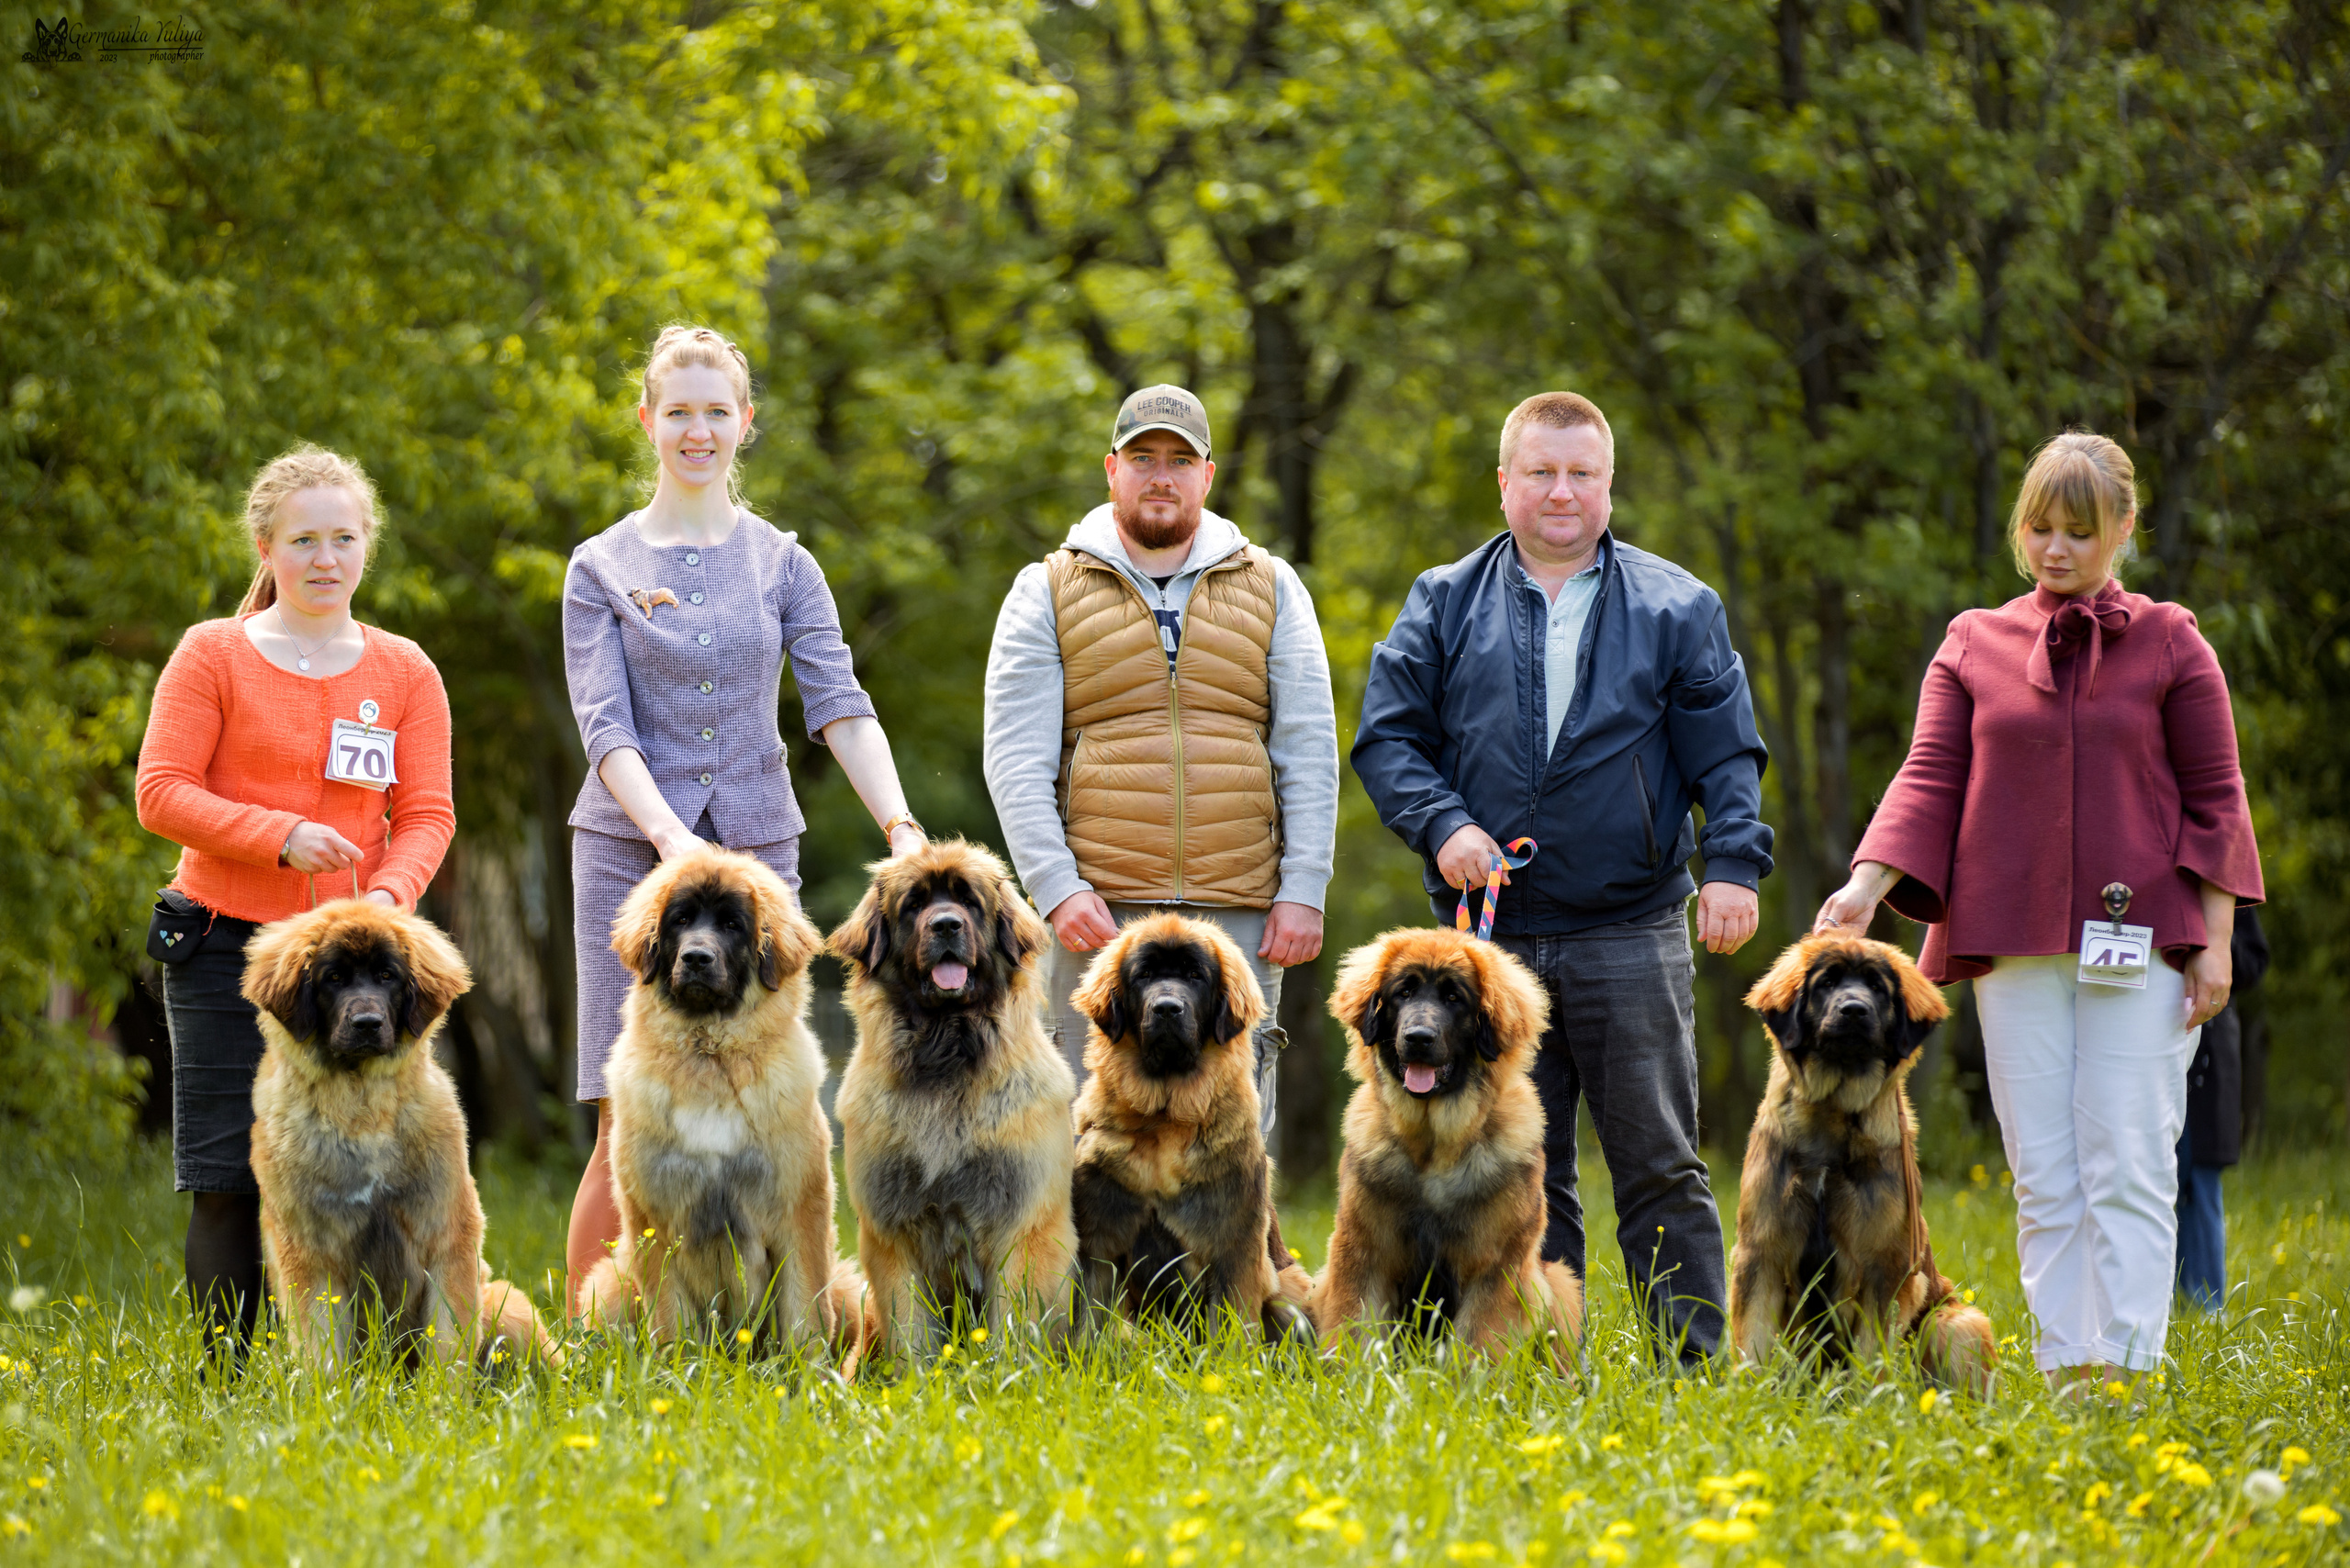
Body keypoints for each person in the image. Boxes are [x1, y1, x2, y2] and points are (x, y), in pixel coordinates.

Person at [1817, 431, 2262, 1390]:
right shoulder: (1973, 641)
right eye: (2039, 527)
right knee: (2044, 1170)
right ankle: (2069, 1370)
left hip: (2144, 943)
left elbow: (2217, 794)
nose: (2054, 548)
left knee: (2128, 1158)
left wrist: (2217, 941)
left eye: (2077, 530)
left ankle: (2130, 1373)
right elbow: (1929, 776)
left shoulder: (2172, 639)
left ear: (2122, 529)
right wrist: (1864, 887)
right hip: (2010, 943)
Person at [1353, 390, 1773, 1365]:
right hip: (1490, 949)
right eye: (1539, 471)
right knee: (1517, 1168)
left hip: (1631, 926)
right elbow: (1388, 739)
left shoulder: (1679, 606)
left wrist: (1735, 866)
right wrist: (1443, 822)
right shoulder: (1441, 601)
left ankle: (1692, 1365)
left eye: (1580, 472)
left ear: (1609, 484)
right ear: (1504, 482)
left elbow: (1727, 759)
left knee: (1661, 1162)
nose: (1560, 491)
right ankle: (1540, 1361)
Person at [561, 325, 926, 1313]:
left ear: (745, 424)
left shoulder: (784, 563)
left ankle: (784, 1326)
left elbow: (841, 704)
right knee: (619, 1119)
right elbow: (605, 725)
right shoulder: (599, 565)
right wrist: (671, 840)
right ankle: (596, 1337)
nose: (696, 430)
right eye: (677, 411)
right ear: (647, 421)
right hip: (627, 856)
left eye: (715, 411)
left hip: (761, 853)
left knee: (780, 1104)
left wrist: (898, 825)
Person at [135, 444, 456, 1353]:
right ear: (267, 546)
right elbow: (159, 790)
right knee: (230, 1174)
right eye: (304, 539)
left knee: (373, 1170)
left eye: (343, 538)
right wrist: (277, 834)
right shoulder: (214, 653)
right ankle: (229, 1381)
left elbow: (427, 814)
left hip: (357, 966)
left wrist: (387, 900)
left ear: (367, 546)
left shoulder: (404, 672)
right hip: (224, 951)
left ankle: (377, 1359)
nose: (325, 558)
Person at [982, 385, 1337, 1140]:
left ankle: (1238, 1267)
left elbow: (1307, 743)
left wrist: (1304, 886)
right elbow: (1015, 759)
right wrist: (1054, 887)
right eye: (1143, 458)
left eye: (1180, 460)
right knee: (1094, 1144)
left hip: (1239, 908)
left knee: (1234, 1145)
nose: (1161, 476)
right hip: (1098, 915)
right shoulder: (1044, 587)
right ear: (1112, 470)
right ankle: (1094, 1271)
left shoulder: (1273, 584)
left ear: (1208, 477)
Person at [2176, 908, 2268, 1309]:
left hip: (2211, 1056)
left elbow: (2254, 962)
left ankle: (2206, 1306)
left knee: (2202, 1179)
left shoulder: (2234, 899)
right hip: (2154, 1034)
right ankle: (2158, 1302)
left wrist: (2214, 939)